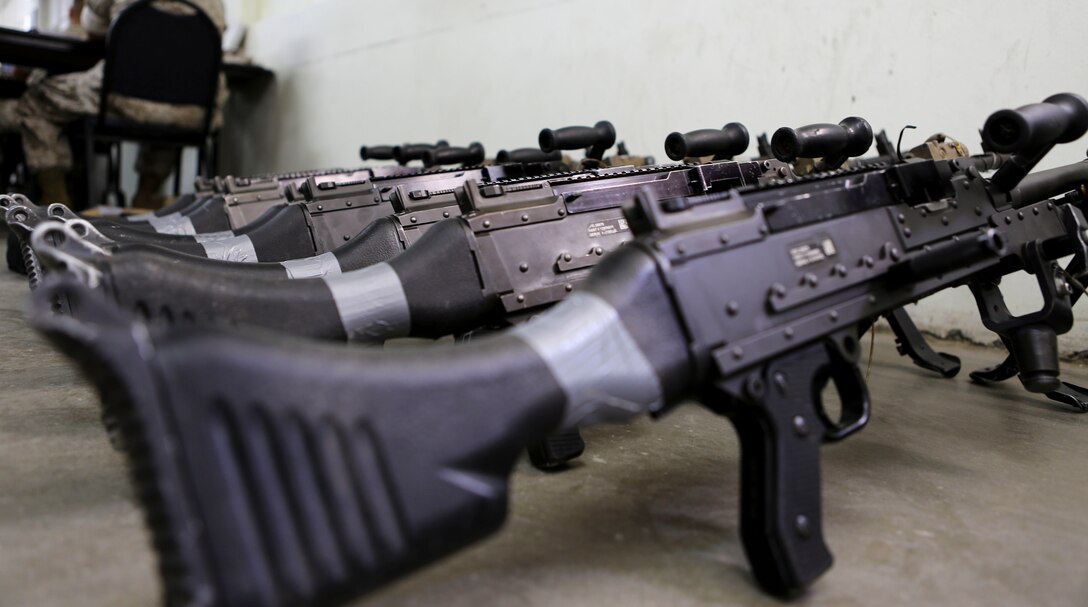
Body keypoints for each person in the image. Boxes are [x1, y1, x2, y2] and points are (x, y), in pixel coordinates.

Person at [16, 0, 226, 208]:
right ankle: (146, 196)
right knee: (167, 113)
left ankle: (56, 202)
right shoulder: (216, 4)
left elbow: (94, 32)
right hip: (194, 109)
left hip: (124, 96)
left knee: (36, 100)